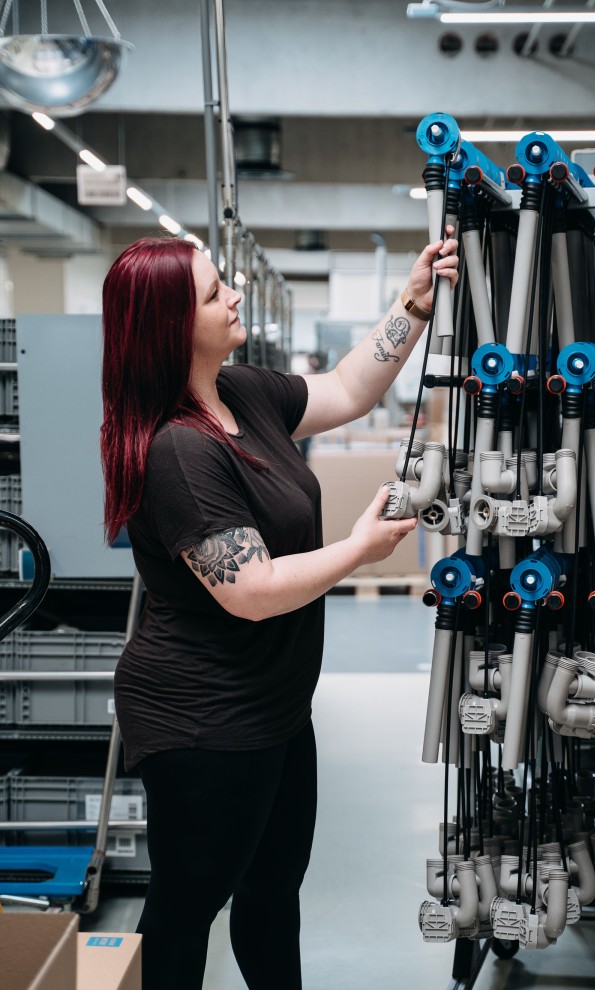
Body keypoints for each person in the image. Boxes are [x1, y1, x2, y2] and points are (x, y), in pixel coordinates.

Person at [100, 228, 459, 990]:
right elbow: (252, 592)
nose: (233, 294)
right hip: (203, 719)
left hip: (274, 706)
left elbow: (346, 390)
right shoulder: (179, 453)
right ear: (172, 326)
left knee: (270, 895)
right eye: (211, 292)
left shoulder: (242, 392)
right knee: (186, 906)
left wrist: (412, 305)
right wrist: (361, 548)